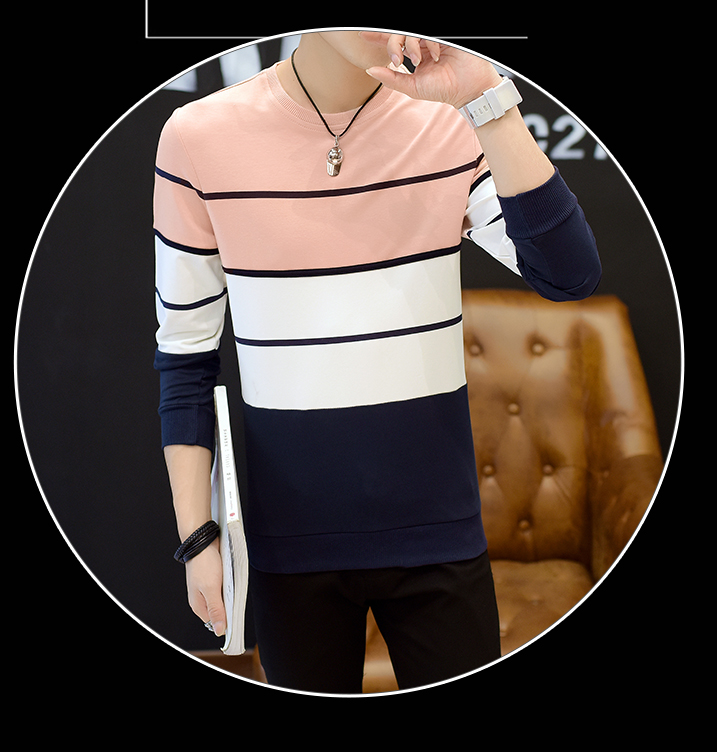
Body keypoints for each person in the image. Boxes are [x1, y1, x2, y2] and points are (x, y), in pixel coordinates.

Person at [153, 30, 601, 693]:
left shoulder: (453, 122)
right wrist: (197, 538)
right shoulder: (199, 136)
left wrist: (487, 98)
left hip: (440, 537)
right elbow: (186, 356)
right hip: (290, 547)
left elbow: (568, 275)